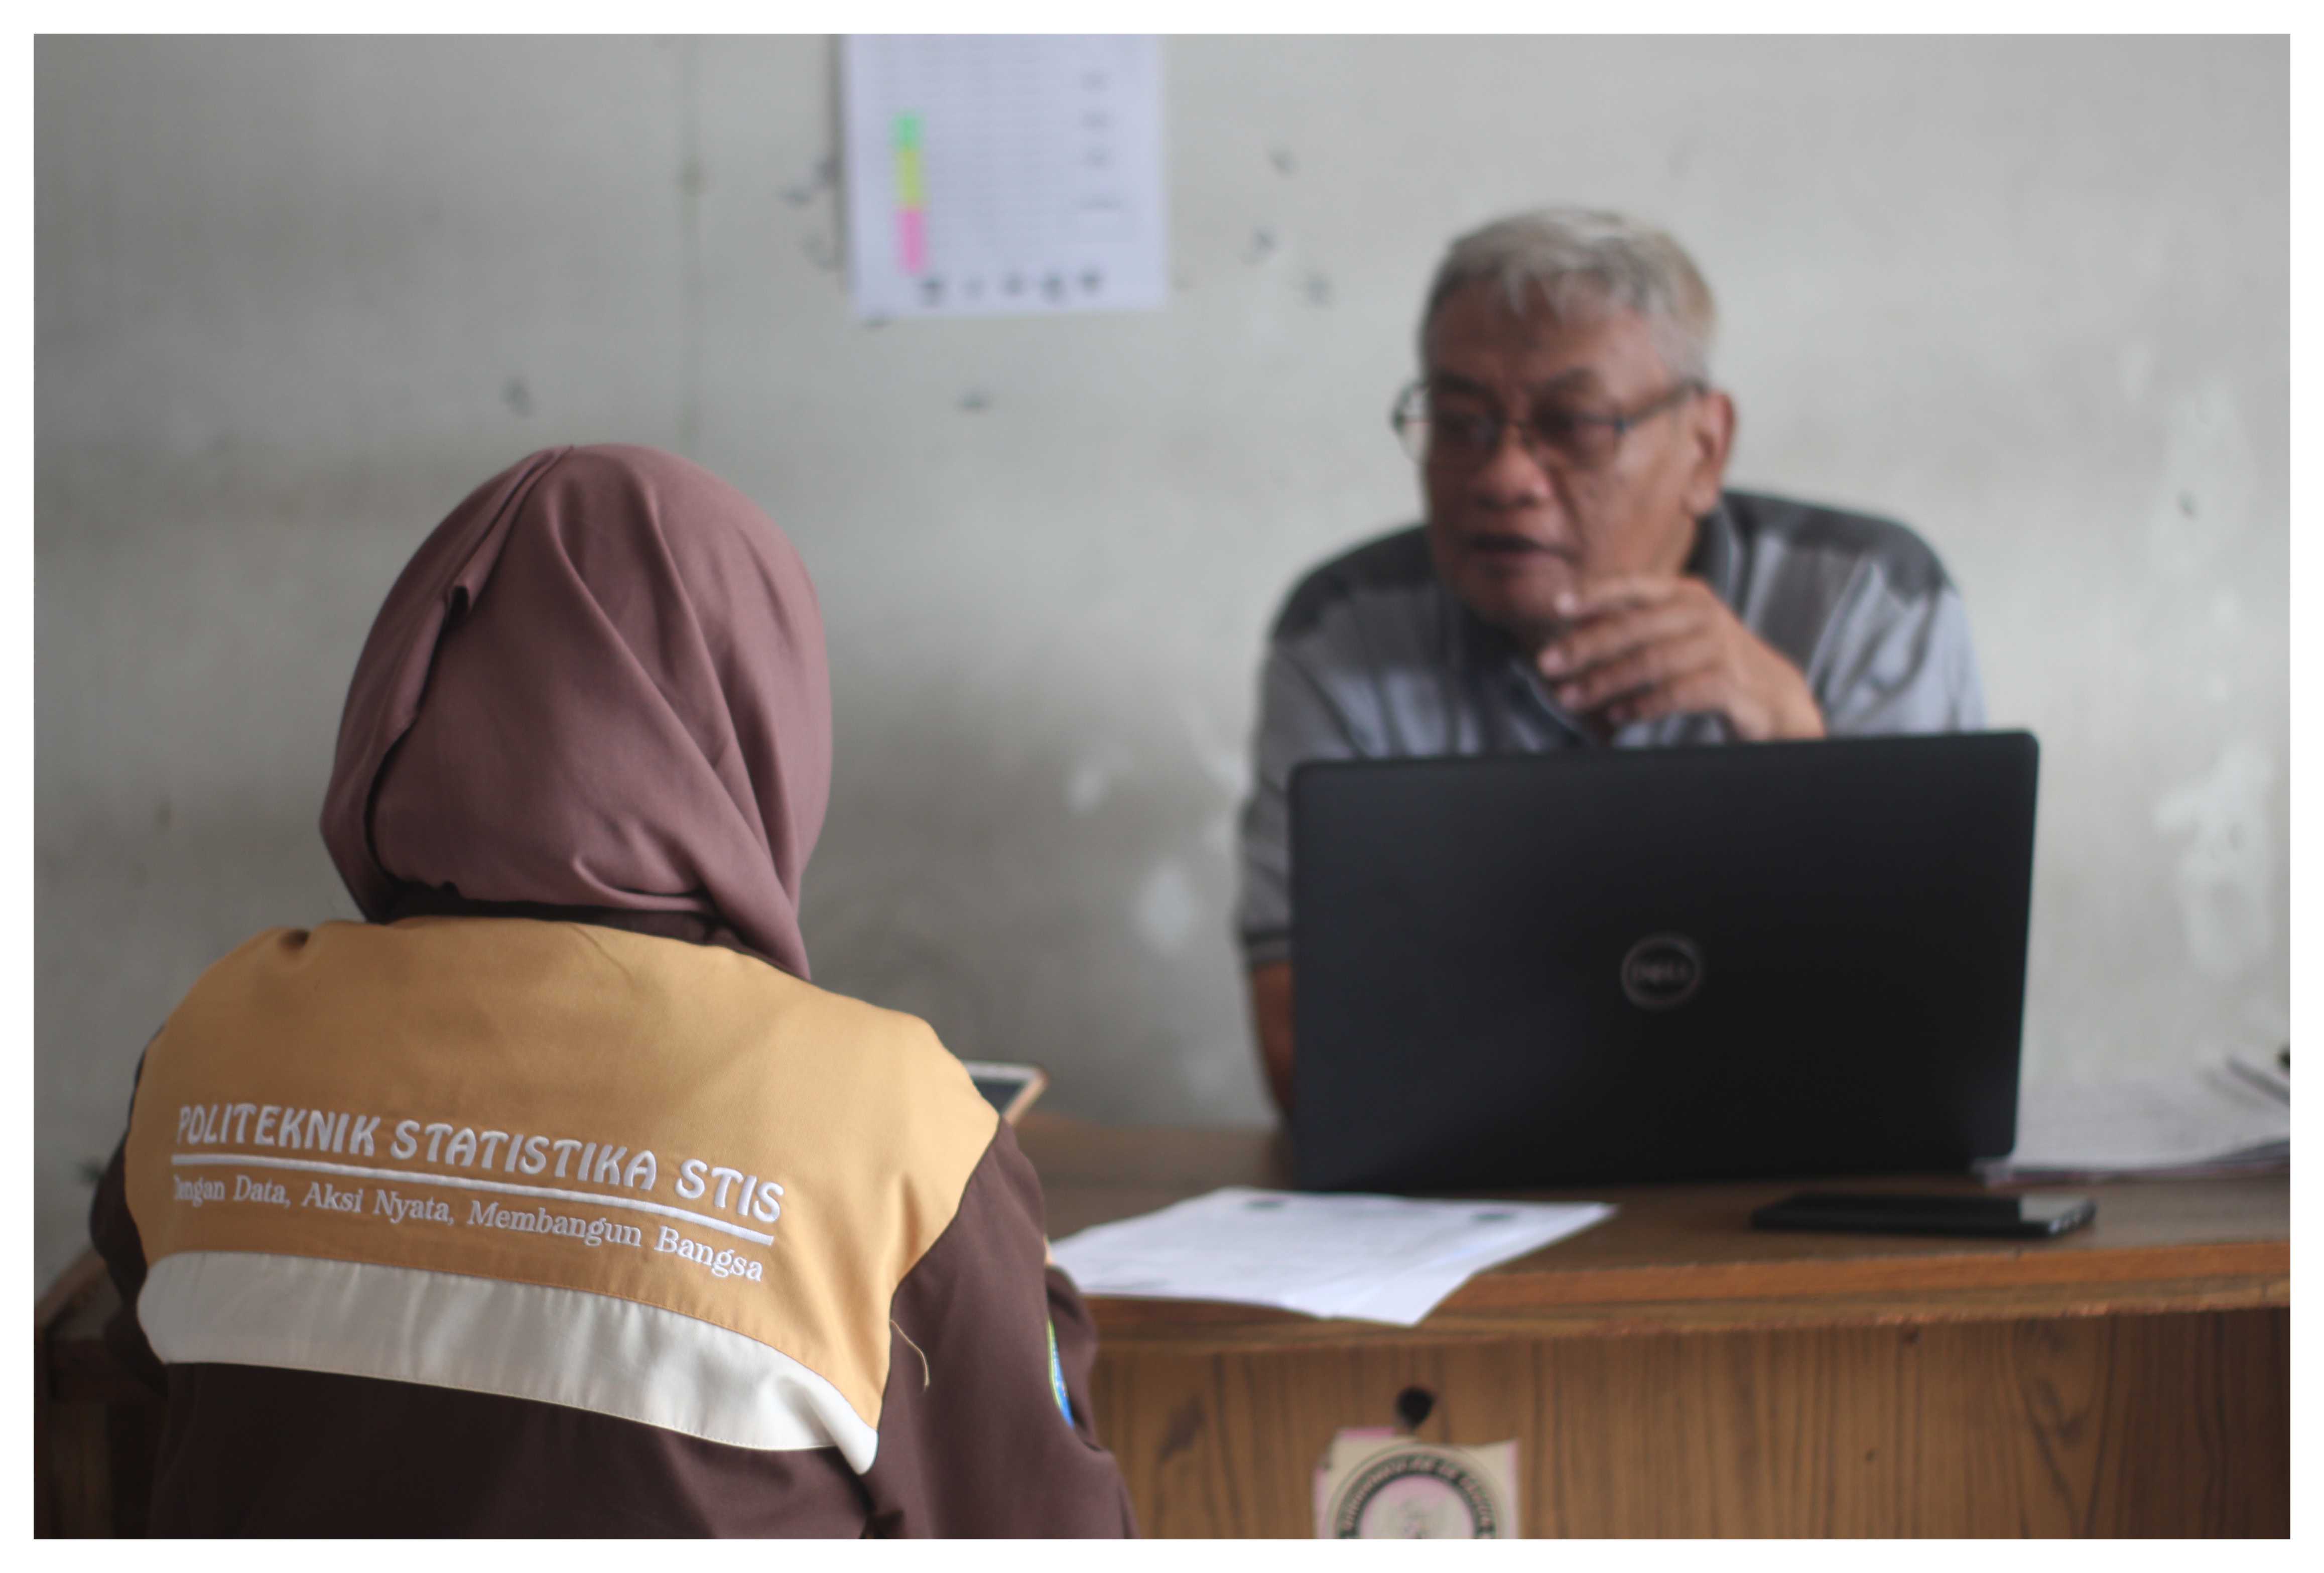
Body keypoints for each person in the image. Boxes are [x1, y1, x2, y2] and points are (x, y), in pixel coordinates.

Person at [87, 444, 1137, 1537]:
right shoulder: (890, 1118)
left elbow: (163, 1340)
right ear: (759, 712)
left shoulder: (212, 1034)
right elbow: (1044, 1523)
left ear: (404, 689)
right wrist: (1026, 1277)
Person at [1238, 209, 1987, 1115]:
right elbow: (1305, 1054)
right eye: (1462, 420)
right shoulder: (1344, 633)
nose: (1504, 475)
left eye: (1575, 423)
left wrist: (1798, 749)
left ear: (1703, 447)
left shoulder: (1869, 601)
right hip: (1465, 1208)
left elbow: (1927, 1037)